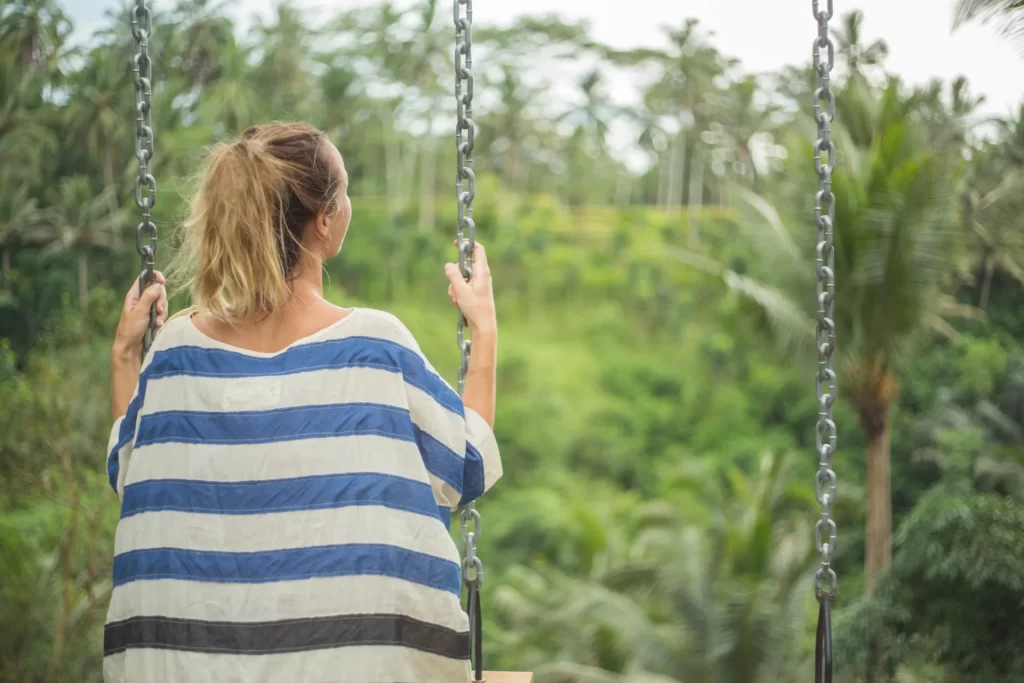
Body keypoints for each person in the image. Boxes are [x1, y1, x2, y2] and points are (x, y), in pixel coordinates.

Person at [104, 122, 501, 683]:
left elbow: (130, 472)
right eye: (344, 193)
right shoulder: (374, 346)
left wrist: (125, 355)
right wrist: (483, 332)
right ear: (325, 221)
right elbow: (468, 462)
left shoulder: (173, 350)